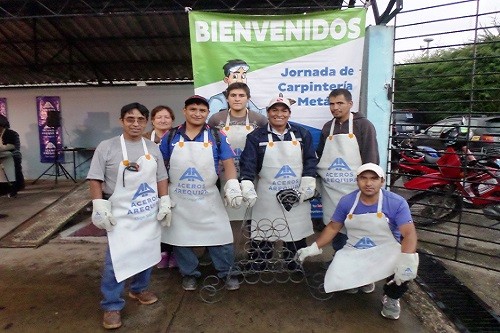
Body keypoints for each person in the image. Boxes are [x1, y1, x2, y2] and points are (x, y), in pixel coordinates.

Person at [87, 102, 172, 330]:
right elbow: (95, 178)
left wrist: (164, 201)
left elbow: (161, 177)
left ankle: (138, 289)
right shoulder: (107, 147)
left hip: (146, 210)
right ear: (121, 121)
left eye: (140, 120)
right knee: (116, 259)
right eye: (130, 119)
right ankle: (112, 304)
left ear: (146, 122)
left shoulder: (152, 148)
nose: (135, 124)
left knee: (146, 251)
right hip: (119, 213)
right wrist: (99, 205)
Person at [297, 163, 419, 320]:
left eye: (374, 179)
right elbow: (333, 227)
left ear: (382, 181)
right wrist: (314, 247)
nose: (368, 183)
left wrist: (407, 260)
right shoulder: (347, 201)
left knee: (404, 267)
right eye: (364, 178)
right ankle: (364, 280)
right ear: (357, 180)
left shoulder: (396, 202)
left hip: (387, 250)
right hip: (356, 248)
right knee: (335, 275)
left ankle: (392, 298)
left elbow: (409, 234)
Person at [159, 95, 242, 291]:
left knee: (220, 236)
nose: (197, 113)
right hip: (179, 199)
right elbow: (160, 168)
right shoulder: (171, 136)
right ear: (184, 111)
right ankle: (189, 274)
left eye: (202, 110)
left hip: (208, 197)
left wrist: (232, 184)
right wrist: (162, 196)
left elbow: (228, 163)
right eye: (193, 109)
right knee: (181, 239)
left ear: (207, 113)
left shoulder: (216, 135)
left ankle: (227, 272)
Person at [239, 93, 318, 268]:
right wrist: (246, 183)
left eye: (284, 110)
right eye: (274, 110)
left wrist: (308, 181)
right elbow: (248, 164)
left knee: (295, 231)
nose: (279, 114)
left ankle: (294, 263)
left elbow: (310, 160)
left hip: (296, 193)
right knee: (264, 231)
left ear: (289, 113)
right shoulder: (256, 137)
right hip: (267, 195)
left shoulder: (301, 134)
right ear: (268, 112)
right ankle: (260, 262)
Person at [316, 88, 379, 249]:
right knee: (335, 228)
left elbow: (371, 159)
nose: (335, 108)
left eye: (340, 103)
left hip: (355, 190)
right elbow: (321, 156)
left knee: (356, 231)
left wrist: (368, 186)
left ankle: (356, 265)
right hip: (332, 191)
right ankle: (339, 260)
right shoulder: (327, 127)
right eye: (331, 104)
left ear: (350, 104)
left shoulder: (364, 125)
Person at [208, 82, 267, 221]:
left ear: (248, 98)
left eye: (241, 95)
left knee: (254, 215)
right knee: (227, 213)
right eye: (233, 95)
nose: (237, 99)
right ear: (227, 98)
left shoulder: (259, 119)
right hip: (224, 175)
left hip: (254, 175)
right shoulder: (216, 119)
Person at [142, 105, 178, 269]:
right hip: (150, 185)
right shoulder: (143, 139)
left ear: (172, 120)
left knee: (174, 220)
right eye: (159, 117)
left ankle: (176, 252)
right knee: (155, 219)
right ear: (152, 120)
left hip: (175, 183)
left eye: (167, 117)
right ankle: (160, 252)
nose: (163, 120)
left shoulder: (179, 137)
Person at [0, 115, 24, 197]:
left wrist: (3, 149)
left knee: (12, 174)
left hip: (13, 157)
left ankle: (14, 189)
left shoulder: (12, 134)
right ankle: (4, 190)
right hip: (2, 157)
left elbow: (14, 147)